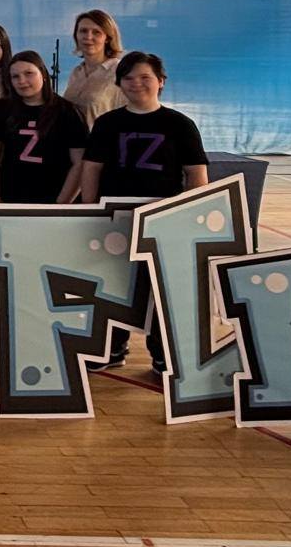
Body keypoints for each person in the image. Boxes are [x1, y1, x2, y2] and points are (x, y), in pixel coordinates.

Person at [80, 51, 209, 373]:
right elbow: (91, 169)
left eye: (145, 77)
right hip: (115, 218)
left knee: (161, 287)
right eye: (128, 78)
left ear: (161, 81)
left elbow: (196, 175)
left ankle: (162, 353)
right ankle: (111, 347)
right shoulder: (108, 123)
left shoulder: (180, 125)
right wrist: (90, 211)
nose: (136, 83)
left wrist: (187, 216)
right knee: (112, 282)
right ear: (119, 83)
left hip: (162, 219)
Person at [0, 51, 88, 205]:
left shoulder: (67, 111)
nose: (22, 81)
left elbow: (79, 163)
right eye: (15, 76)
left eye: (29, 73)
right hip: (9, 198)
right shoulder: (1, 108)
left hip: (54, 199)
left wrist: (61, 204)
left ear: (43, 74)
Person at [63, 9, 126, 127]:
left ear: (107, 38)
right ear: (76, 36)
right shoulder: (76, 72)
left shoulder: (120, 71)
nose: (88, 37)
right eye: (83, 31)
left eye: (96, 32)